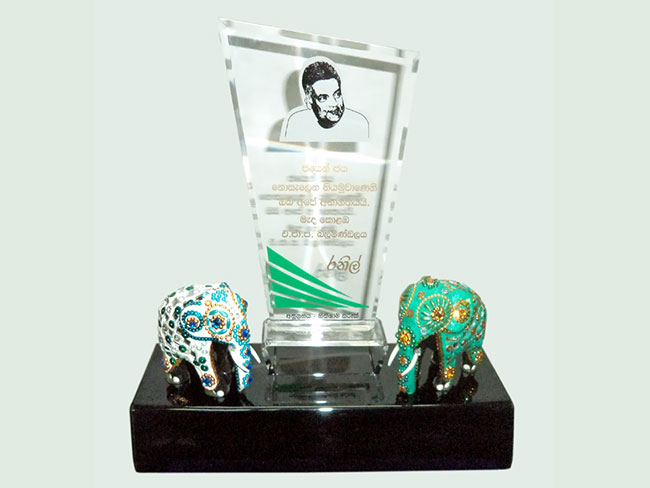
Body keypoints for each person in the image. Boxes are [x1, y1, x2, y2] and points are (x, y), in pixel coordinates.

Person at [281, 59, 369, 142]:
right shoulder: (296, 123)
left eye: (337, 94)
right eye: (323, 98)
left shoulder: (359, 123)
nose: (334, 103)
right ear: (309, 100)